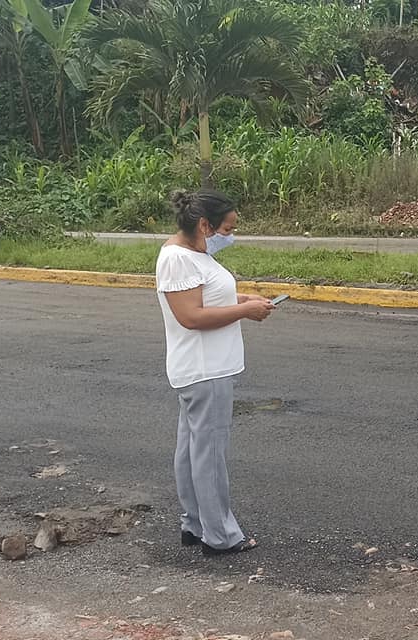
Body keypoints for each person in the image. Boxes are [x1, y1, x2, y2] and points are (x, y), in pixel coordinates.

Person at [155, 189, 273, 556]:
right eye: (228, 228)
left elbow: (205, 298)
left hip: (205, 368)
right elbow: (191, 316)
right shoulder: (178, 258)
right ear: (205, 225)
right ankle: (220, 535)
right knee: (209, 455)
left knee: (193, 450)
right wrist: (245, 312)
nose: (231, 235)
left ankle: (195, 524)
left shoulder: (194, 254)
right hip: (205, 370)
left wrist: (243, 300)